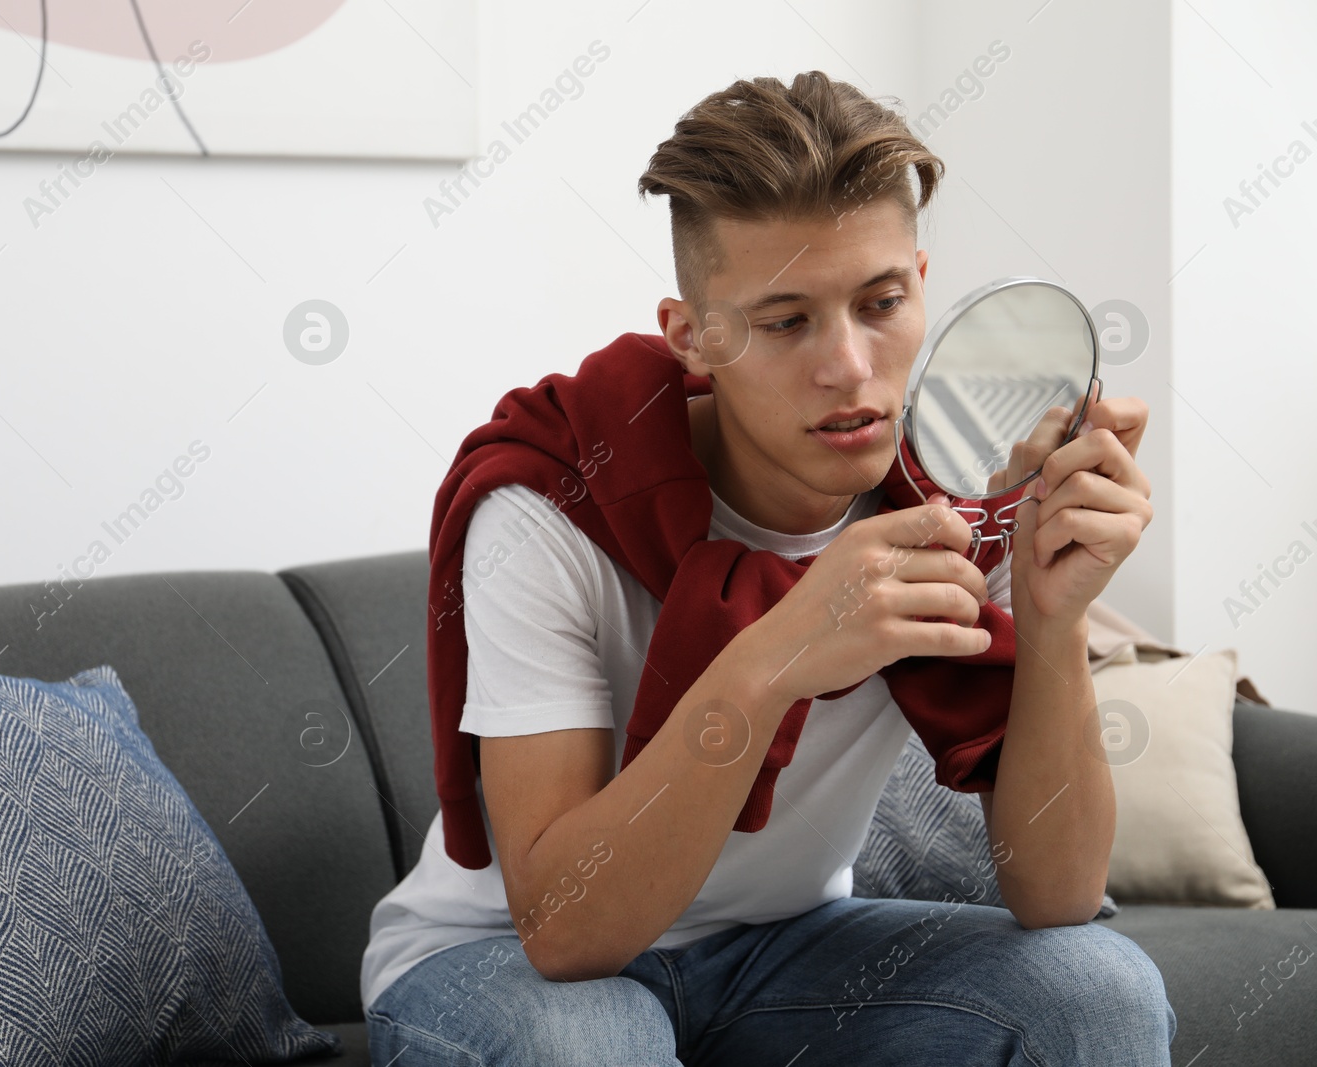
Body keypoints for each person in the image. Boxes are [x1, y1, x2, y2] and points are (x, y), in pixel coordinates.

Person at [361, 70, 1173, 1065]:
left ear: (921, 281)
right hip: (504, 960)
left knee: (1096, 990)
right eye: (785, 322)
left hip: (783, 951)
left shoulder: (955, 495)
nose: (847, 366)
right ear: (691, 337)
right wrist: (780, 651)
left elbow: (1057, 894)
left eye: (880, 302)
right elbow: (565, 932)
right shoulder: (550, 507)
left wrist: (1054, 619)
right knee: (583, 1043)